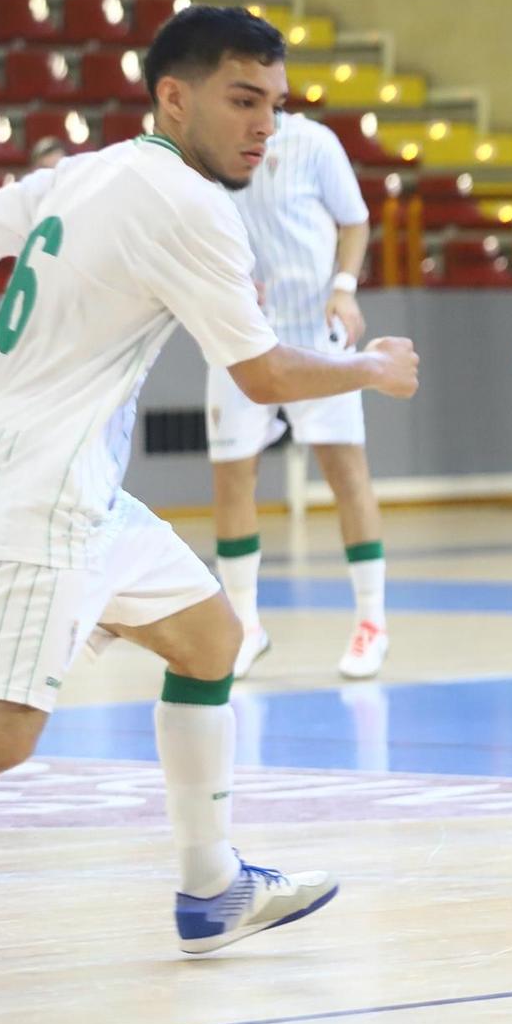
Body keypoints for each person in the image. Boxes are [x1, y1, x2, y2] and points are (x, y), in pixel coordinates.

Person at [0, 6, 419, 1014]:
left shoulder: (87, 170)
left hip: (49, 474)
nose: (263, 127)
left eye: (274, 106)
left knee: (210, 637)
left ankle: (210, 886)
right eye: (243, 100)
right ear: (173, 96)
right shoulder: (191, 208)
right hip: (42, 484)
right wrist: (366, 366)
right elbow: (261, 368)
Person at [205, 109, 388, 680]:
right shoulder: (207, 147)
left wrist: (344, 287)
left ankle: (371, 623)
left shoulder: (314, 142)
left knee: (345, 473)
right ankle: (245, 626)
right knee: (233, 475)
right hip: (241, 332)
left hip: (317, 334)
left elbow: (354, 221)